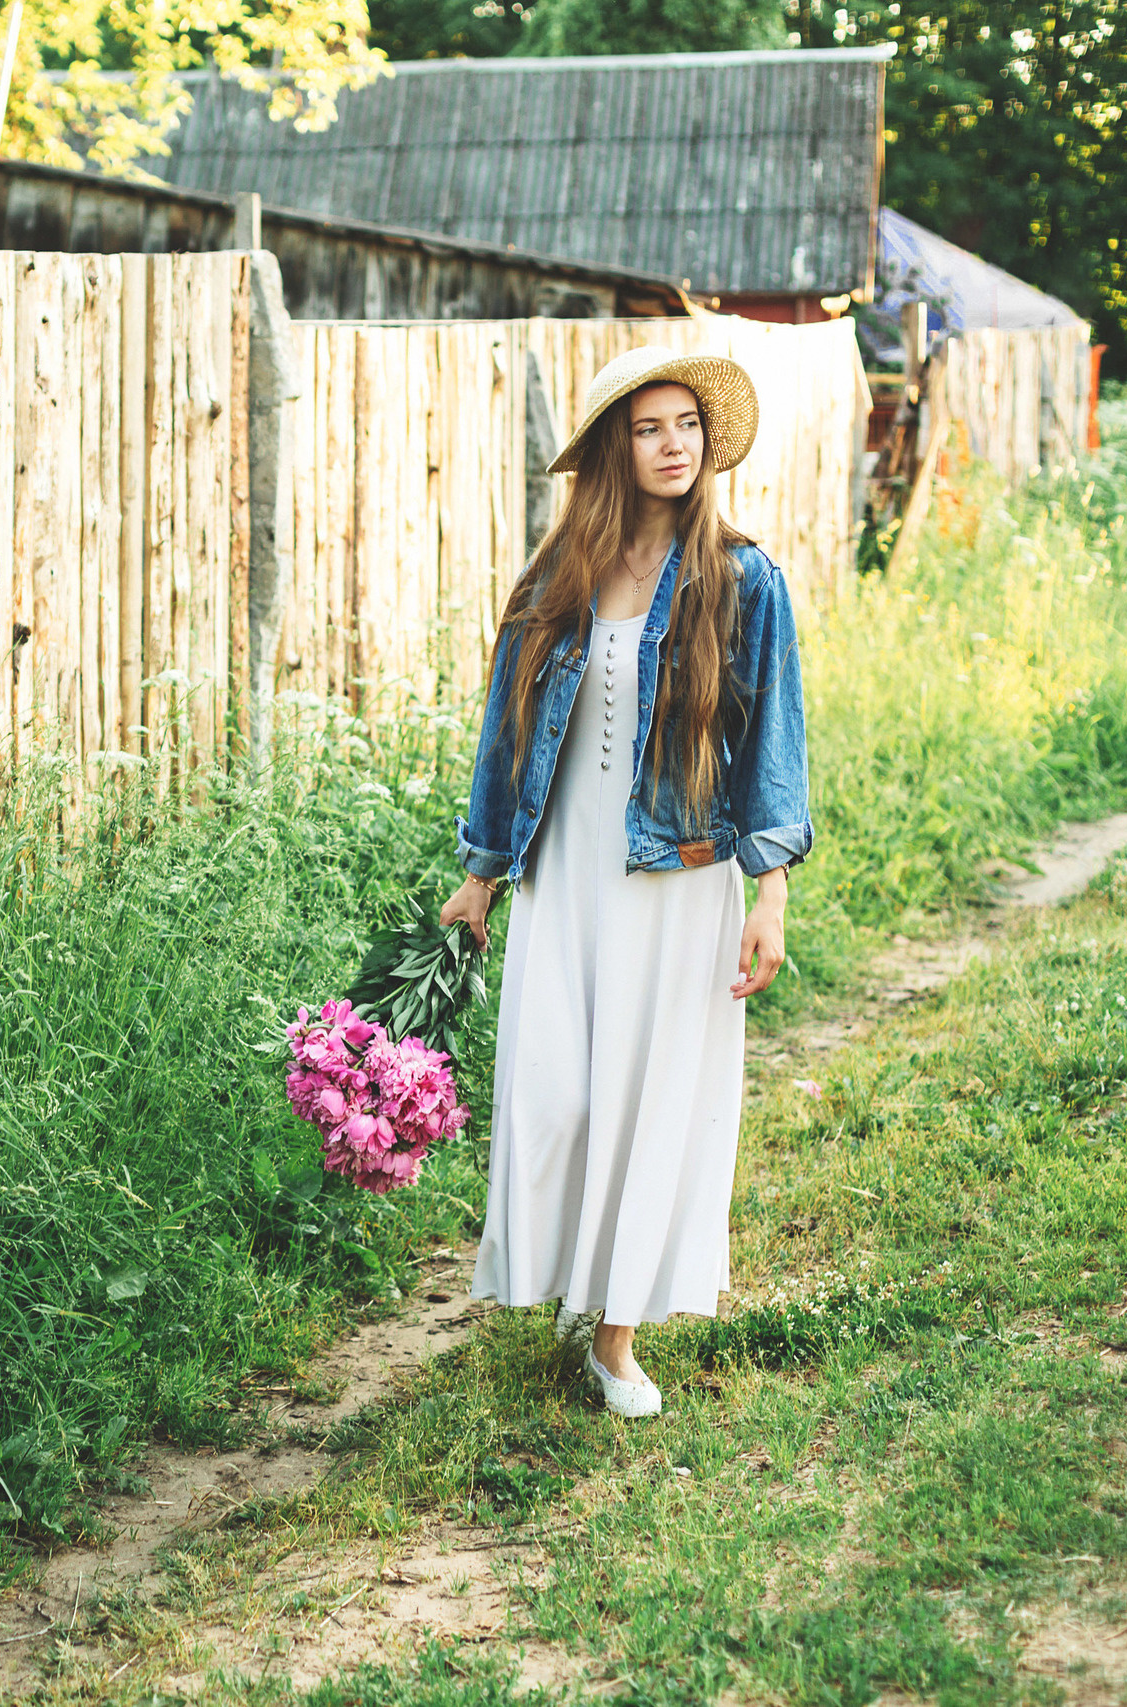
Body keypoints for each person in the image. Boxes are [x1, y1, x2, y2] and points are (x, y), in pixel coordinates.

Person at [437, 346, 813, 1419]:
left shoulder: (743, 580)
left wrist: (771, 890)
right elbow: (503, 742)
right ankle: (570, 1278)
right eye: (649, 427)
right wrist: (482, 872)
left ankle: (615, 1337)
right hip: (563, 875)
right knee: (558, 1092)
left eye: (686, 425)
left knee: (652, 1102)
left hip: (678, 878)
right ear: (616, 445)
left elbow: (770, 748)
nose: (672, 444)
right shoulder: (552, 580)